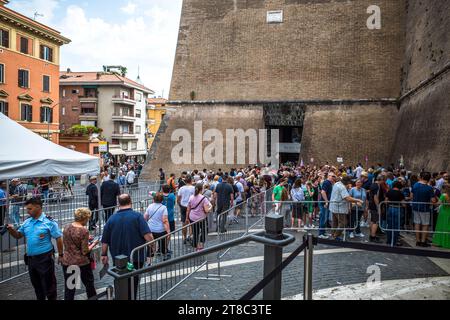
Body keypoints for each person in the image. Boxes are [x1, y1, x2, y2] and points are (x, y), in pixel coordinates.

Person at [6, 198, 63, 300]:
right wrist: (11, 230)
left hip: (45, 258)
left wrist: (61, 255)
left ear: (38, 207)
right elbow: (18, 235)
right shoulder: (27, 222)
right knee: (37, 286)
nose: (27, 211)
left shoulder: (49, 222)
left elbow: (58, 238)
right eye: (27, 209)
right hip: (31, 259)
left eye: (29, 209)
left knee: (49, 285)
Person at [101, 194, 153, 299]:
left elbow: (105, 240)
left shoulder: (111, 219)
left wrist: (104, 254)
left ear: (118, 204)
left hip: (118, 258)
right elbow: (148, 236)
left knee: (120, 280)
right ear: (131, 202)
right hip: (136, 257)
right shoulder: (137, 216)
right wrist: (152, 247)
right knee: (134, 282)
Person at [61, 208, 98, 300]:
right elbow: (85, 251)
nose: (88, 220)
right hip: (81, 262)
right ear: (84, 218)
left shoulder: (66, 227)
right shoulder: (84, 231)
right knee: (89, 285)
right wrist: (94, 244)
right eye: (88, 218)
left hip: (68, 261)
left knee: (70, 287)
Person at [329, 176, 364, 241]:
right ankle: (335, 236)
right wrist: (358, 200)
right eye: (349, 182)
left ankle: (333, 235)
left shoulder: (337, 183)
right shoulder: (342, 187)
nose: (350, 183)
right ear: (347, 182)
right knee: (343, 223)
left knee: (335, 223)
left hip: (334, 207)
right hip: (339, 208)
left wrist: (347, 187)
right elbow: (347, 198)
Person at [411, 172, 437, 247]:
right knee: (425, 225)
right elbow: (433, 200)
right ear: (429, 179)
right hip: (425, 208)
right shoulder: (429, 188)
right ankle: (423, 241)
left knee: (417, 223)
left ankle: (418, 241)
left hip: (416, 207)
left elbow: (411, 195)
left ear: (421, 177)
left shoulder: (415, 185)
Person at [144, 193, 171, 259]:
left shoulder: (150, 206)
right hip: (161, 230)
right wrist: (168, 231)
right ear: (162, 200)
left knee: (150, 247)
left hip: (150, 230)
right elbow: (165, 220)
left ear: (153, 199)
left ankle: (149, 262)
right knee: (163, 245)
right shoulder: (163, 208)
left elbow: (145, 217)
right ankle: (164, 257)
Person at [186, 184, 212, 251]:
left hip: (192, 217)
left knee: (195, 232)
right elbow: (206, 210)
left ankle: (195, 245)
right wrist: (211, 207)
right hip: (201, 218)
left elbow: (188, 209)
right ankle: (200, 244)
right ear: (201, 189)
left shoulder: (191, 197)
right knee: (204, 231)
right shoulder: (204, 198)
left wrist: (187, 218)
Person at [385, 181, 405, 246]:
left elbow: (385, 201)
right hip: (397, 209)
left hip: (390, 208)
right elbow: (403, 204)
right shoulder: (400, 193)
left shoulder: (389, 191)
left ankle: (388, 240)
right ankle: (394, 241)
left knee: (390, 225)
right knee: (396, 226)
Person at [177, 176, 195, 244]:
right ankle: (190, 236)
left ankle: (184, 237)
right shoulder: (193, 188)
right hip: (191, 206)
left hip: (183, 206)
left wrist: (180, 205)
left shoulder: (181, 188)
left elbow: (178, 199)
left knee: (184, 223)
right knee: (191, 222)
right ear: (191, 181)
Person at [318, 173, 336, 239]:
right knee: (323, 218)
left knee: (325, 218)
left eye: (334, 176)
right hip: (324, 203)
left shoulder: (329, 183)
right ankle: (321, 233)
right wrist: (326, 201)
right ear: (328, 176)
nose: (334, 177)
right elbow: (323, 192)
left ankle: (323, 232)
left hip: (325, 203)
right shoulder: (326, 182)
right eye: (333, 176)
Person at [432, 184, 450, 248]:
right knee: (448, 226)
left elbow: (438, 204)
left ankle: (440, 242)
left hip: (443, 212)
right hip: (449, 212)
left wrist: (435, 201)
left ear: (444, 189)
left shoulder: (443, 195)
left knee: (441, 226)